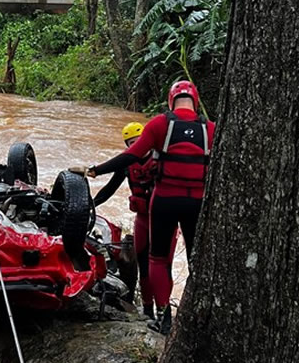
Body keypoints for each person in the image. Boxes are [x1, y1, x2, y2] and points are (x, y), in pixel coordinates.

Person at [87, 80, 215, 335]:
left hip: (164, 201)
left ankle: (164, 314)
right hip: (197, 204)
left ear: (170, 101)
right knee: (196, 260)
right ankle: (198, 315)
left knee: (157, 259)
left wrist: (95, 170)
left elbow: (131, 155)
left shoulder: (159, 125)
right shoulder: (210, 129)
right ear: (196, 100)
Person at [91, 122, 177, 321]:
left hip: (164, 220)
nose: (137, 146)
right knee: (144, 265)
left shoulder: (161, 158)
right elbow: (110, 188)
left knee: (164, 267)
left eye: (139, 141)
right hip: (142, 219)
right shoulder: (127, 164)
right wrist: (91, 204)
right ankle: (147, 310)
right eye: (131, 143)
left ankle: (163, 312)